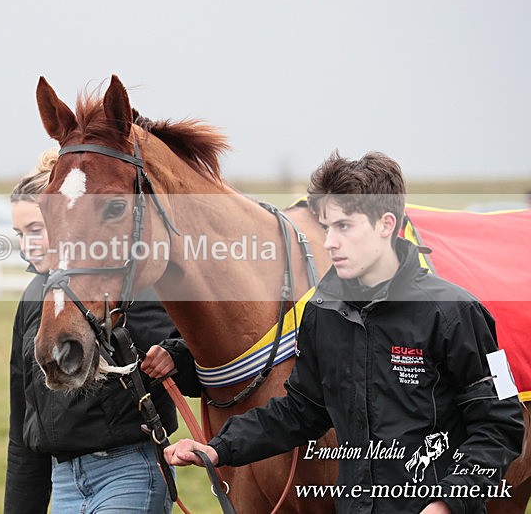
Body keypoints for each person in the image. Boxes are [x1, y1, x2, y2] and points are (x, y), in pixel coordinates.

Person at [164, 150, 525, 513]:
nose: (330, 242)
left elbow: (500, 424)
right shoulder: (322, 312)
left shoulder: (457, 312)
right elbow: (300, 411)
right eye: (327, 227)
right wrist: (218, 448)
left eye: (344, 227)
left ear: (386, 225)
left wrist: (449, 502)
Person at [4, 148, 200, 514]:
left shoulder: (126, 289)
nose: (27, 244)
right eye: (20, 233)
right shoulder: (33, 300)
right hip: (63, 481)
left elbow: (191, 359)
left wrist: (175, 354)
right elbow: (24, 427)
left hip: (127, 472)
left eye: (37, 230)